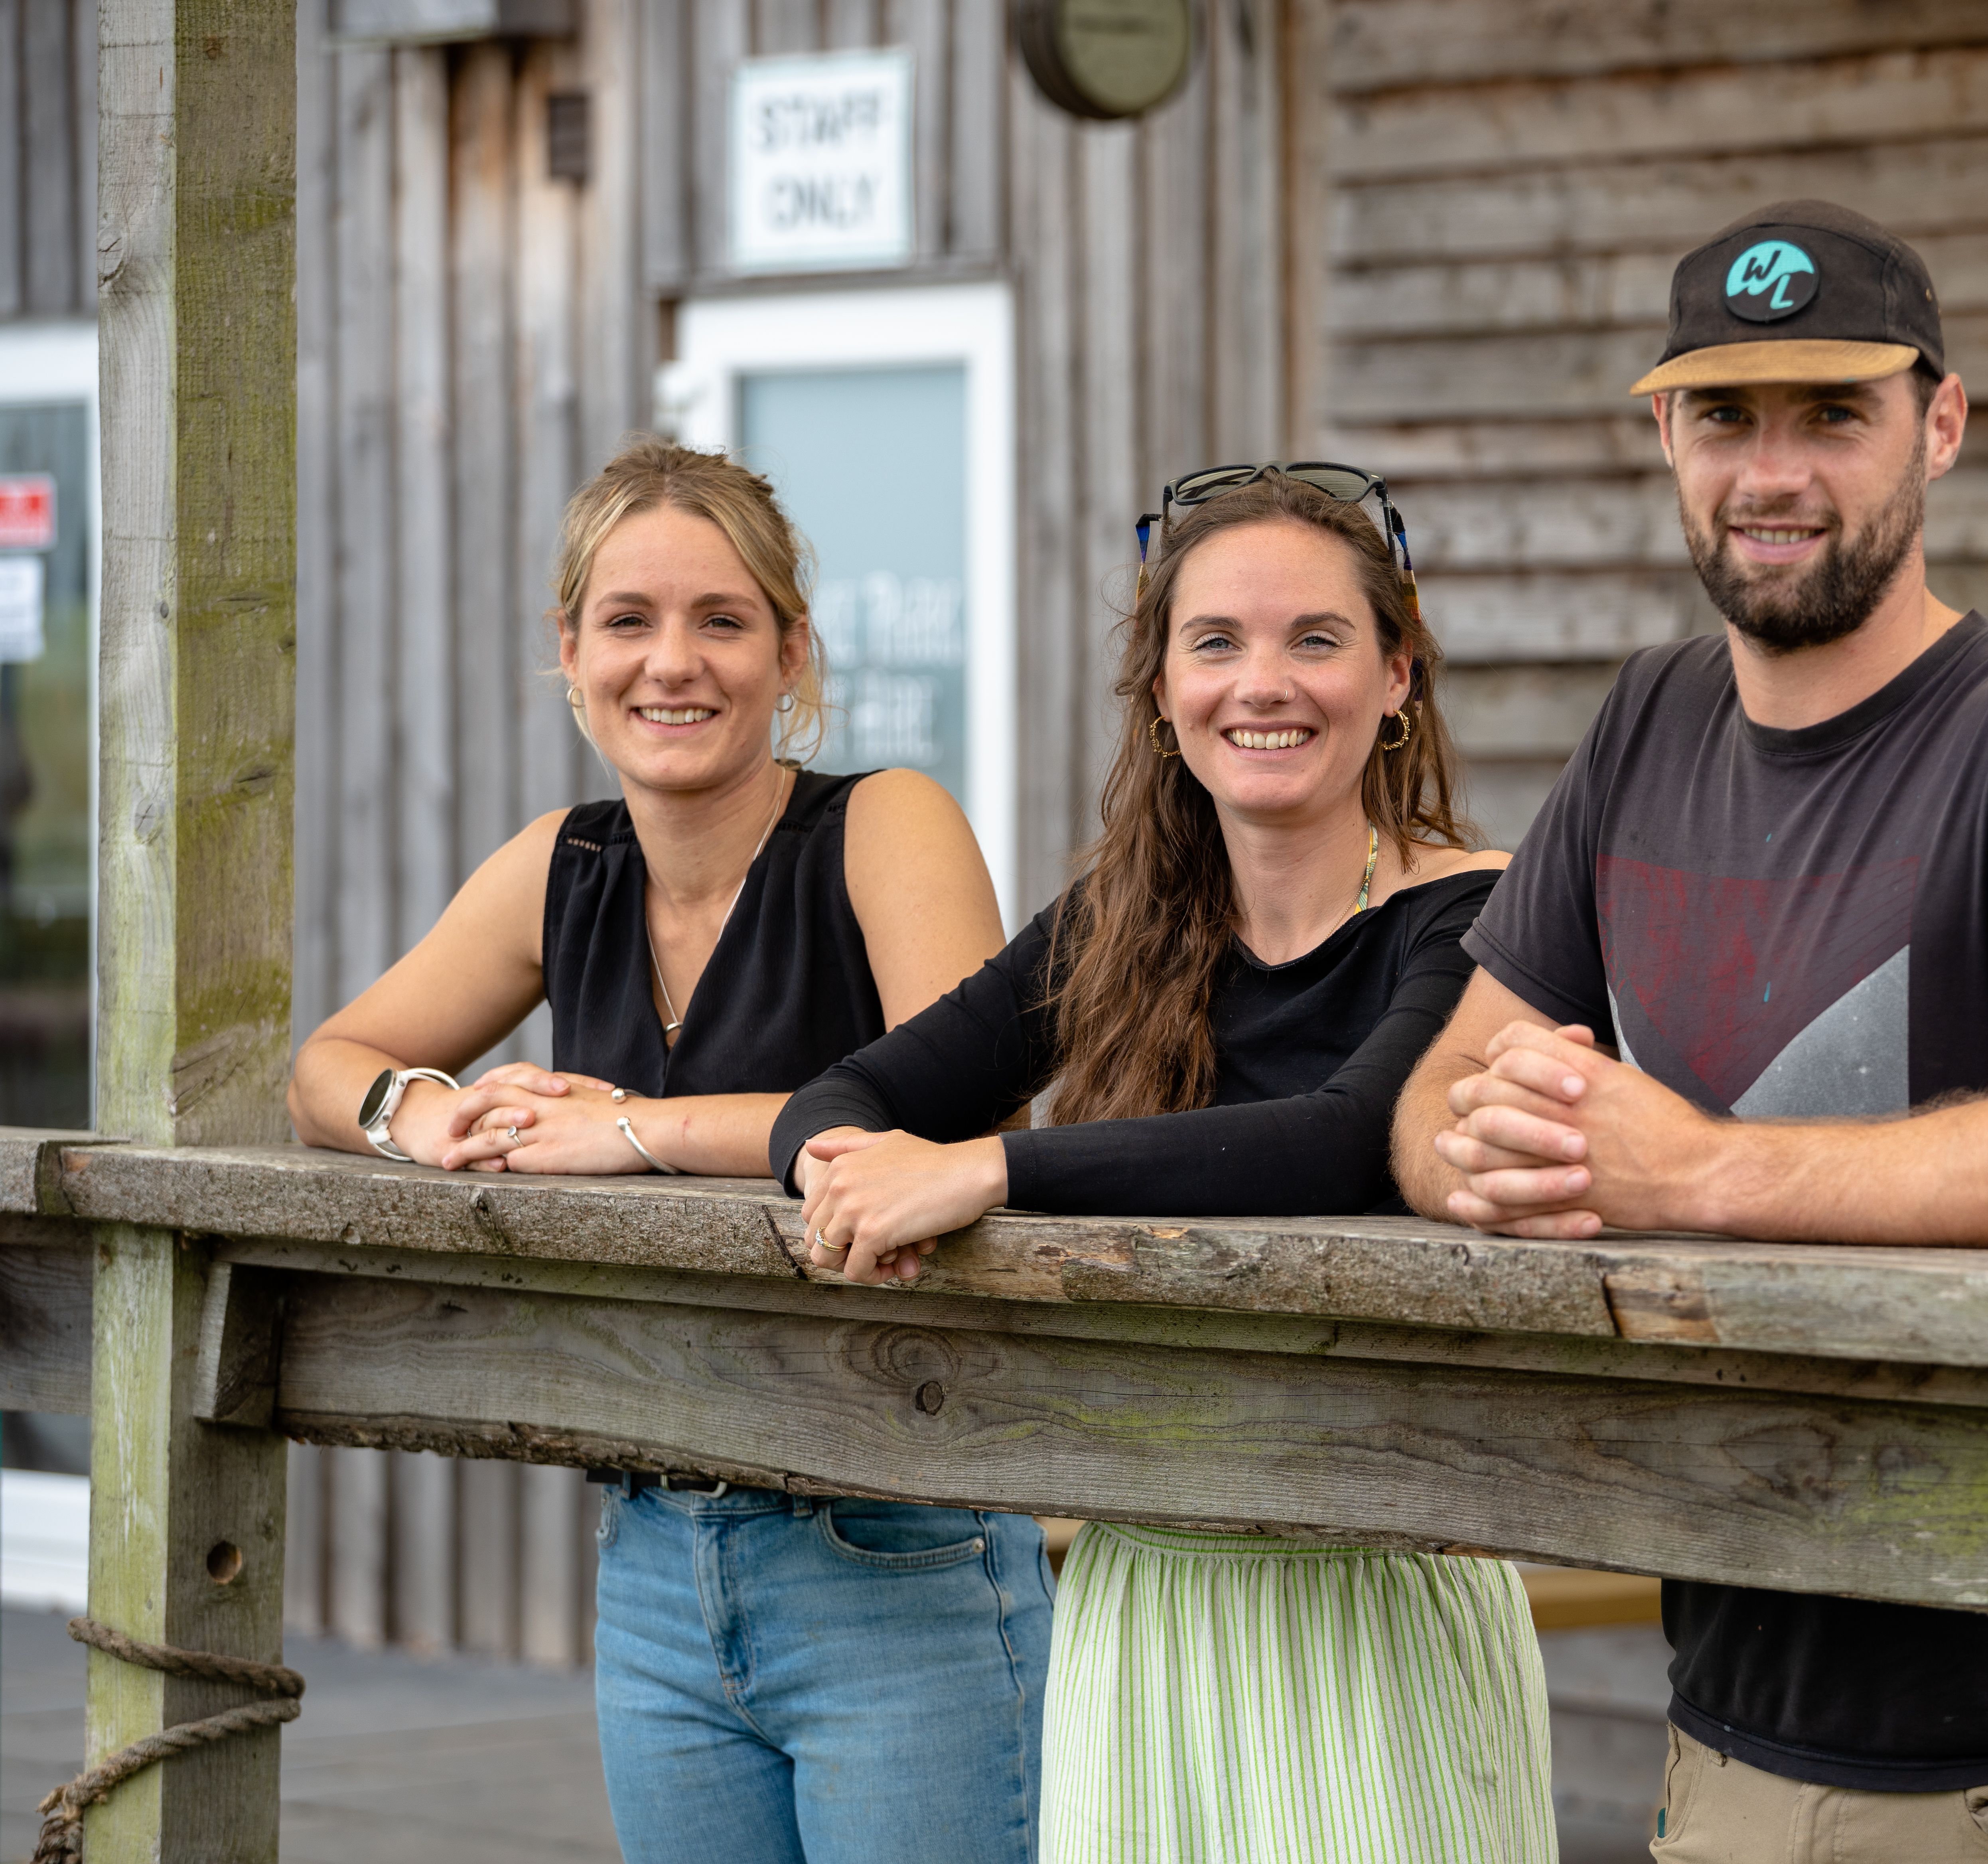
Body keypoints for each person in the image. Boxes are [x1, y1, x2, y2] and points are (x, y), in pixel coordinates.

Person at [1393, 202, 1988, 1862]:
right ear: (1664, 435)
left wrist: (1696, 1171)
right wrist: (1497, 1153)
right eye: (1725, 416)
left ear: (1940, 424)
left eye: (1834, 415)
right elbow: (1437, 1091)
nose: (1772, 472)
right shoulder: (1651, 724)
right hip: (1733, 1724)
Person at [770, 466, 1558, 1864]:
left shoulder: (1478, 917)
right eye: (1216, 643)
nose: (1266, 684)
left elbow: (1341, 1135)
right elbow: (848, 1093)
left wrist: (989, 1171)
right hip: (1143, 1585)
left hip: (1377, 1575)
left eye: (1317, 639)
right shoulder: (1123, 928)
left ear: (1398, 679)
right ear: (1160, 690)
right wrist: (843, 1166)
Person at [286, 438, 1054, 1864]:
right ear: (568, 652)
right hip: (654, 1547)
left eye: (722, 620)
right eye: (628, 621)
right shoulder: (559, 867)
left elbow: (959, 1124)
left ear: (791, 651)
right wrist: (426, 1114)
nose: (672, 664)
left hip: (894, 1538)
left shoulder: (886, 826)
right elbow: (325, 1066)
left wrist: (630, 1134)